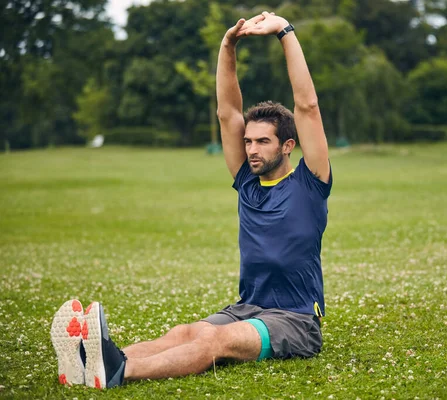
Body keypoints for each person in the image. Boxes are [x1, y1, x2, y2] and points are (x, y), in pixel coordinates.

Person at [50, 11, 332, 389]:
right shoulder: (247, 183)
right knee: (184, 332)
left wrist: (284, 31)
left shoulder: (311, 184)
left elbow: (307, 106)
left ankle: (121, 371)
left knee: (213, 340)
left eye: (262, 142)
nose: (250, 149)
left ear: (288, 145)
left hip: (294, 320)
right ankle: (88, 362)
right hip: (248, 308)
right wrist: (228, 45)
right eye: (247, 141)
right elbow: (227, 111)